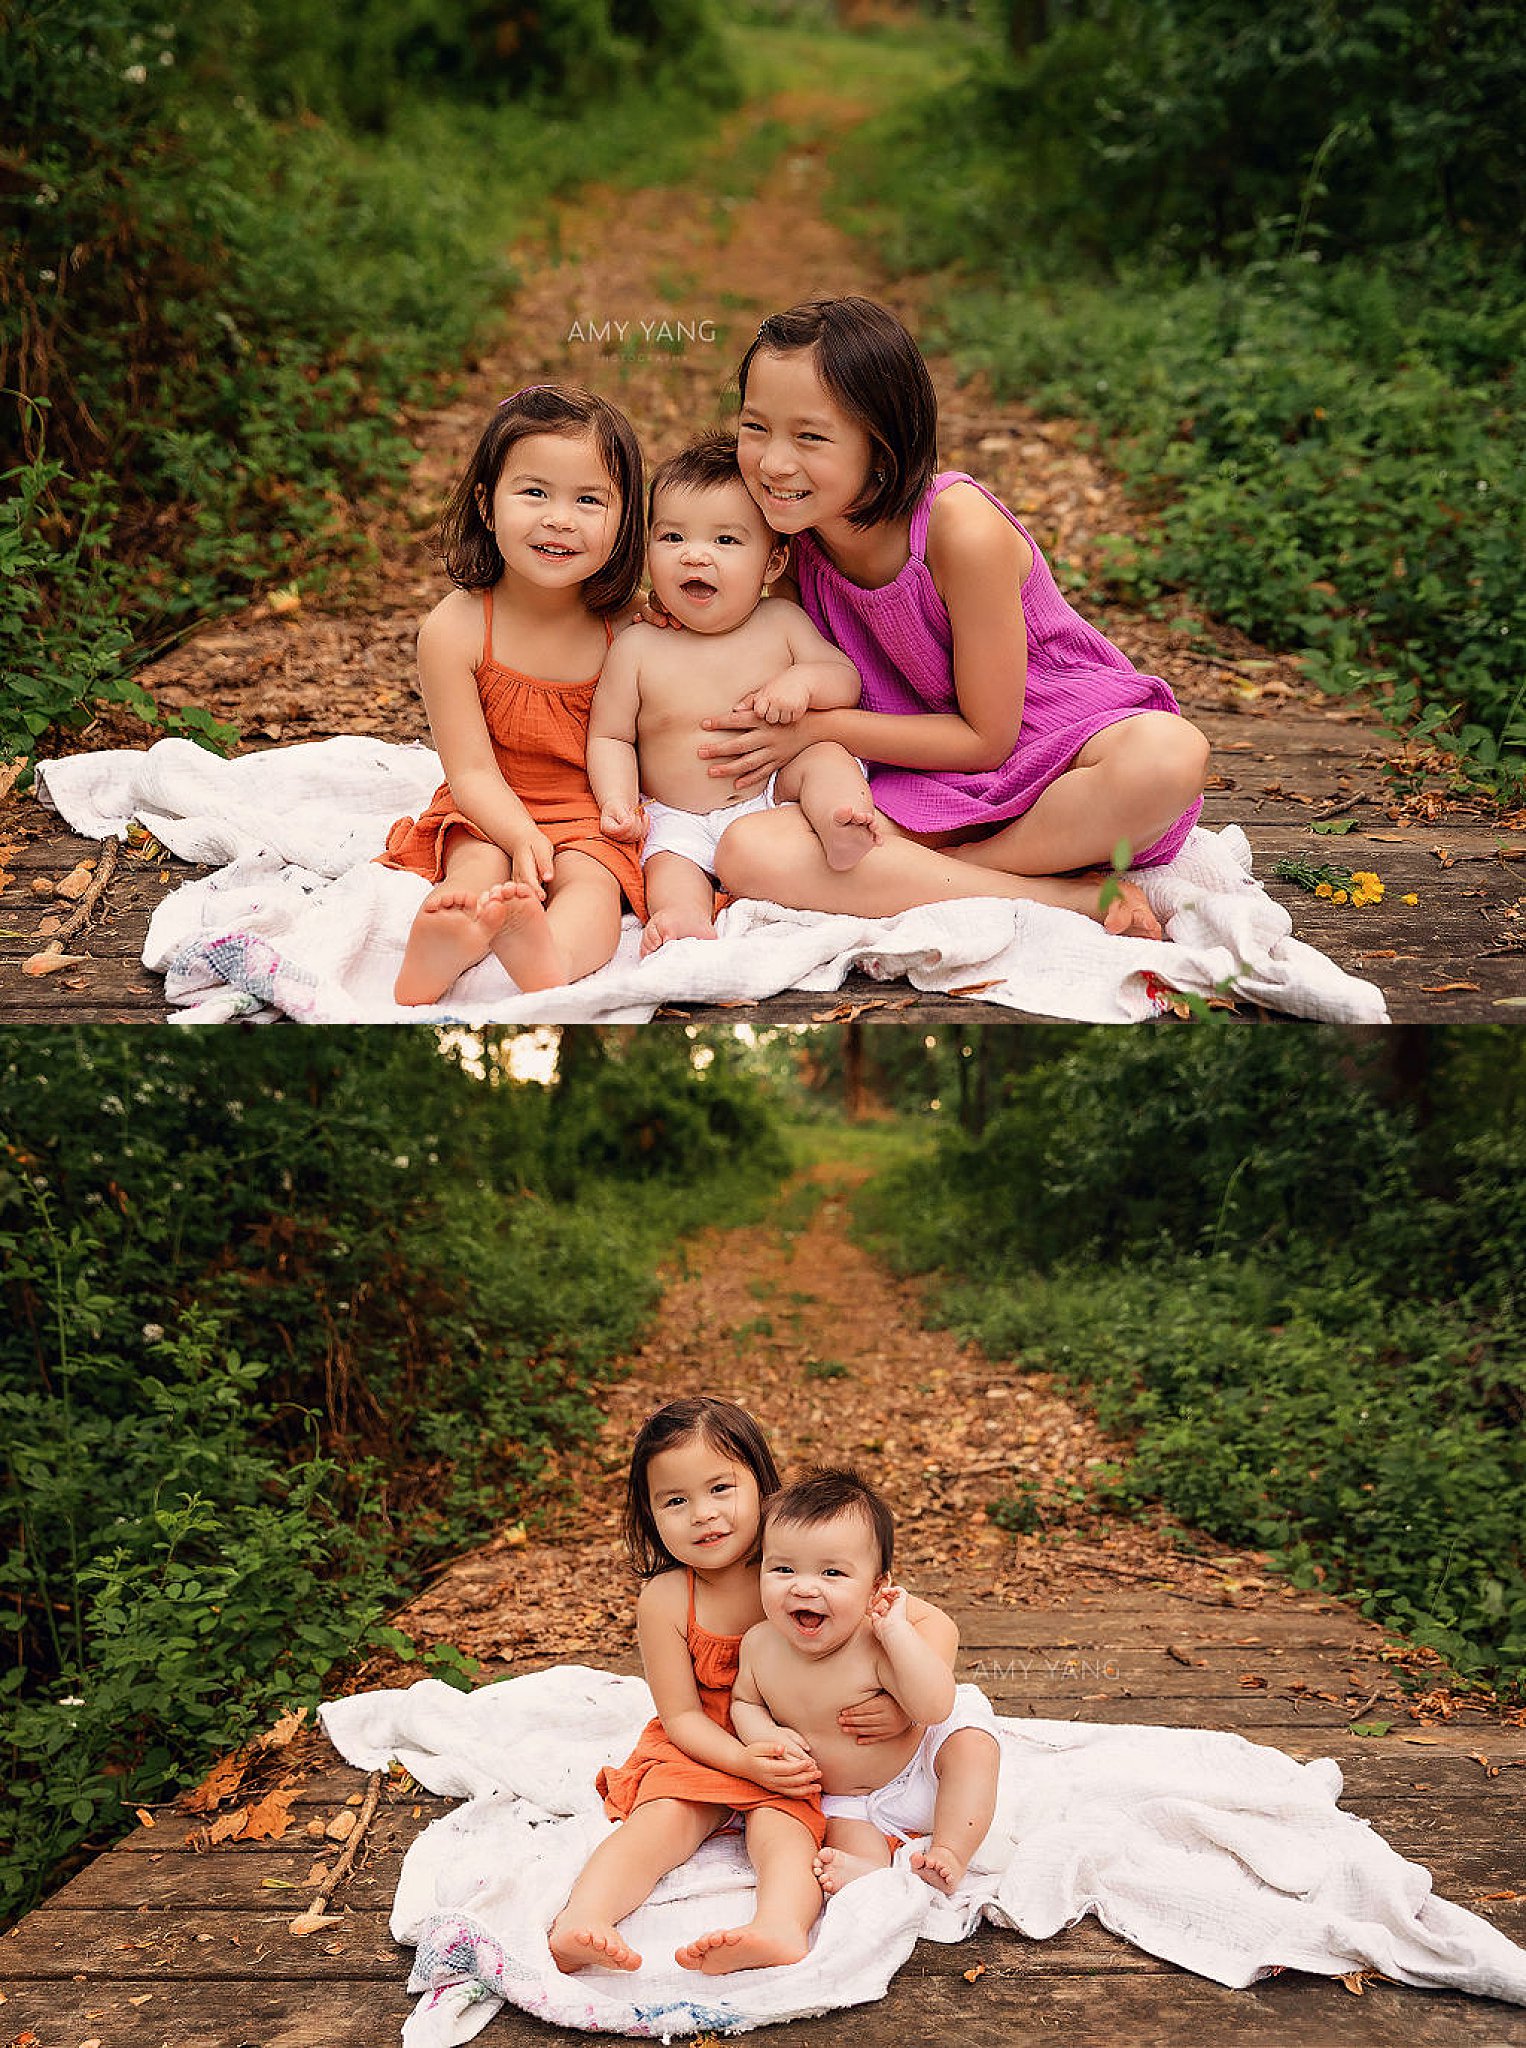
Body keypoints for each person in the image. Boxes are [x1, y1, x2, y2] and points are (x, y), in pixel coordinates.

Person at [695, 297, 1213, 940]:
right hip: (910, 776)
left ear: (882, 447)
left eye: (811, 436)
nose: (773, 463)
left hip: (1052, 744)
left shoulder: (957, 528)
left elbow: (986, 739)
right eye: (754, 427)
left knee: (1170, 755)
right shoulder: (786, 538)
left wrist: (812, 731)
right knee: (749, 852)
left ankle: (952, 873)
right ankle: (1058, 895)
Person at [548, 1398, 905, 1978]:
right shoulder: (667, 1597)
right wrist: (741, 1760)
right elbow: (682, 1717)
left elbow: (917, 1626)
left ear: (764, 1487)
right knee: (661, 1819)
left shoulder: (798, 1564)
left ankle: (778, 1928)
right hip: (706, 1742)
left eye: (720, 1488)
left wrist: (898, 1705)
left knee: (787, 1829)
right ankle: (582, 1920)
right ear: (650, 1516)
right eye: (675, 1500)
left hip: (789, 1737)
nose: (702, 1515)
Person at [379, 384, 647, 1003]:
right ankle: (449, 935)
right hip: (489, 802)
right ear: (486, 503)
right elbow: (470, 771)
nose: (559, 518)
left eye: (589, 499)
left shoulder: (632, 627)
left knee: (593, 886)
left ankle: (550, 953)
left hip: (592, 811)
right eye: (534, 492)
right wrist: (522, 833)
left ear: (624, 517)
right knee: (479, 865)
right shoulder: (457, 628)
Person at [587, 433, 881, 955]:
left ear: (772, 563)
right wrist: (616, 800)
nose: (695, 556)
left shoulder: (781, 622)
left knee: (825, 755)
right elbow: (610, 736)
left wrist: (802, 682)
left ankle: (843, 820)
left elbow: (845, 678)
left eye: (726, 541)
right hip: (681, 815)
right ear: (648, 546)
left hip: (773, 794)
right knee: (668, 867)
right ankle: (684, 920)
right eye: (672, 538)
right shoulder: (637, 647)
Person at [724, 1468, 999, 1917]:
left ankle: (950, 1850)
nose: (804, 1586)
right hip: (848, 1799)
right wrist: (761, 1734)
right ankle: (873, 1872)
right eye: (783, 1569)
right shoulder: (759, 1645)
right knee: (840, 1834)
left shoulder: (875, 1640)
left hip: (920, 1768)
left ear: (876, 1587)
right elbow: (744, 1702)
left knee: (971, 1744)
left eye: (832, 1572)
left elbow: (933, 1706)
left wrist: (896, 1633)